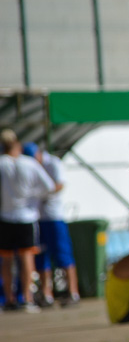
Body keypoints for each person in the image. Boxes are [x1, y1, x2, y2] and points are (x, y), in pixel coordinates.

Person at [0, 130, 56, 312]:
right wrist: (31, 197)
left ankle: (9, 299)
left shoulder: (1, 164)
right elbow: (49, 187)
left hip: (5, 216)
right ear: (17, 145)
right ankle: (27, 298)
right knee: (26, 257)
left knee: (7, 260)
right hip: (26, 216)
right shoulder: (29, 163)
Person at [24, 143, 80, 307]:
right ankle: (47, 295)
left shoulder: (53, 163)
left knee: (63, 255)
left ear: (39, 154)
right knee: (41, 257)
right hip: (38, 218)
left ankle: (73, 292)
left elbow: (59, 185)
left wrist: (39, 193)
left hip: (54, 217)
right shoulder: (30, 166)